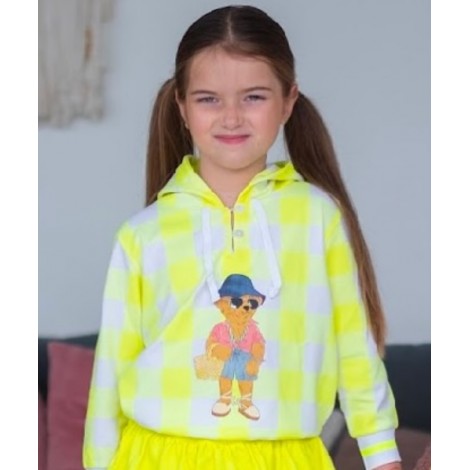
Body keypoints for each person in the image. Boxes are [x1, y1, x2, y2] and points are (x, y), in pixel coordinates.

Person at [83, 5, 402, 470]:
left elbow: (354, 348)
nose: (231, 117)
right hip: (157, 457)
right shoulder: (142, 234)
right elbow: (110, 372)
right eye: (208, 99)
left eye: (253, 96)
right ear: (182, 107)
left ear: (288, 101)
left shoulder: (319, 217)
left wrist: (382, 454)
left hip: (287, 457)